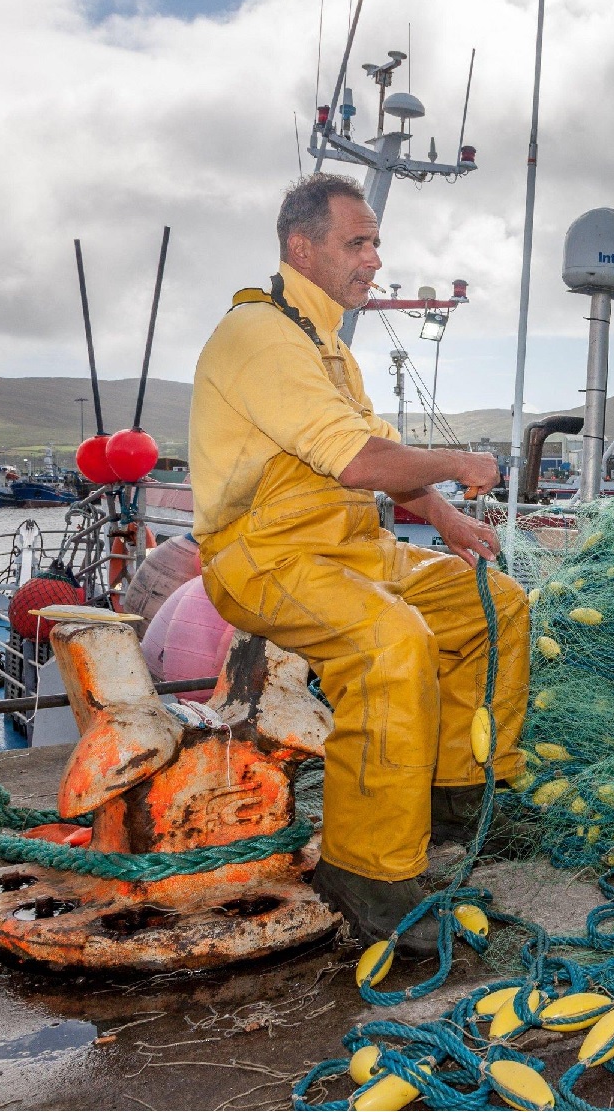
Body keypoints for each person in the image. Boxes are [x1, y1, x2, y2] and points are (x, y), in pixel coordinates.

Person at [190, 174, 529, 953]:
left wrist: (444, 517)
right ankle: (366, 873)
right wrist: (461, 463)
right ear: (302, 248)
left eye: (375, 242)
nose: (375, 259)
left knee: (495, 607)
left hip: (349, 549)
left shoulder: (328, 348)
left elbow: (378, 450)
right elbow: (356, 460)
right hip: (265, 559)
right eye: (358, 243)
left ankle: (455, 797)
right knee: (391, 642)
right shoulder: (259, 337)